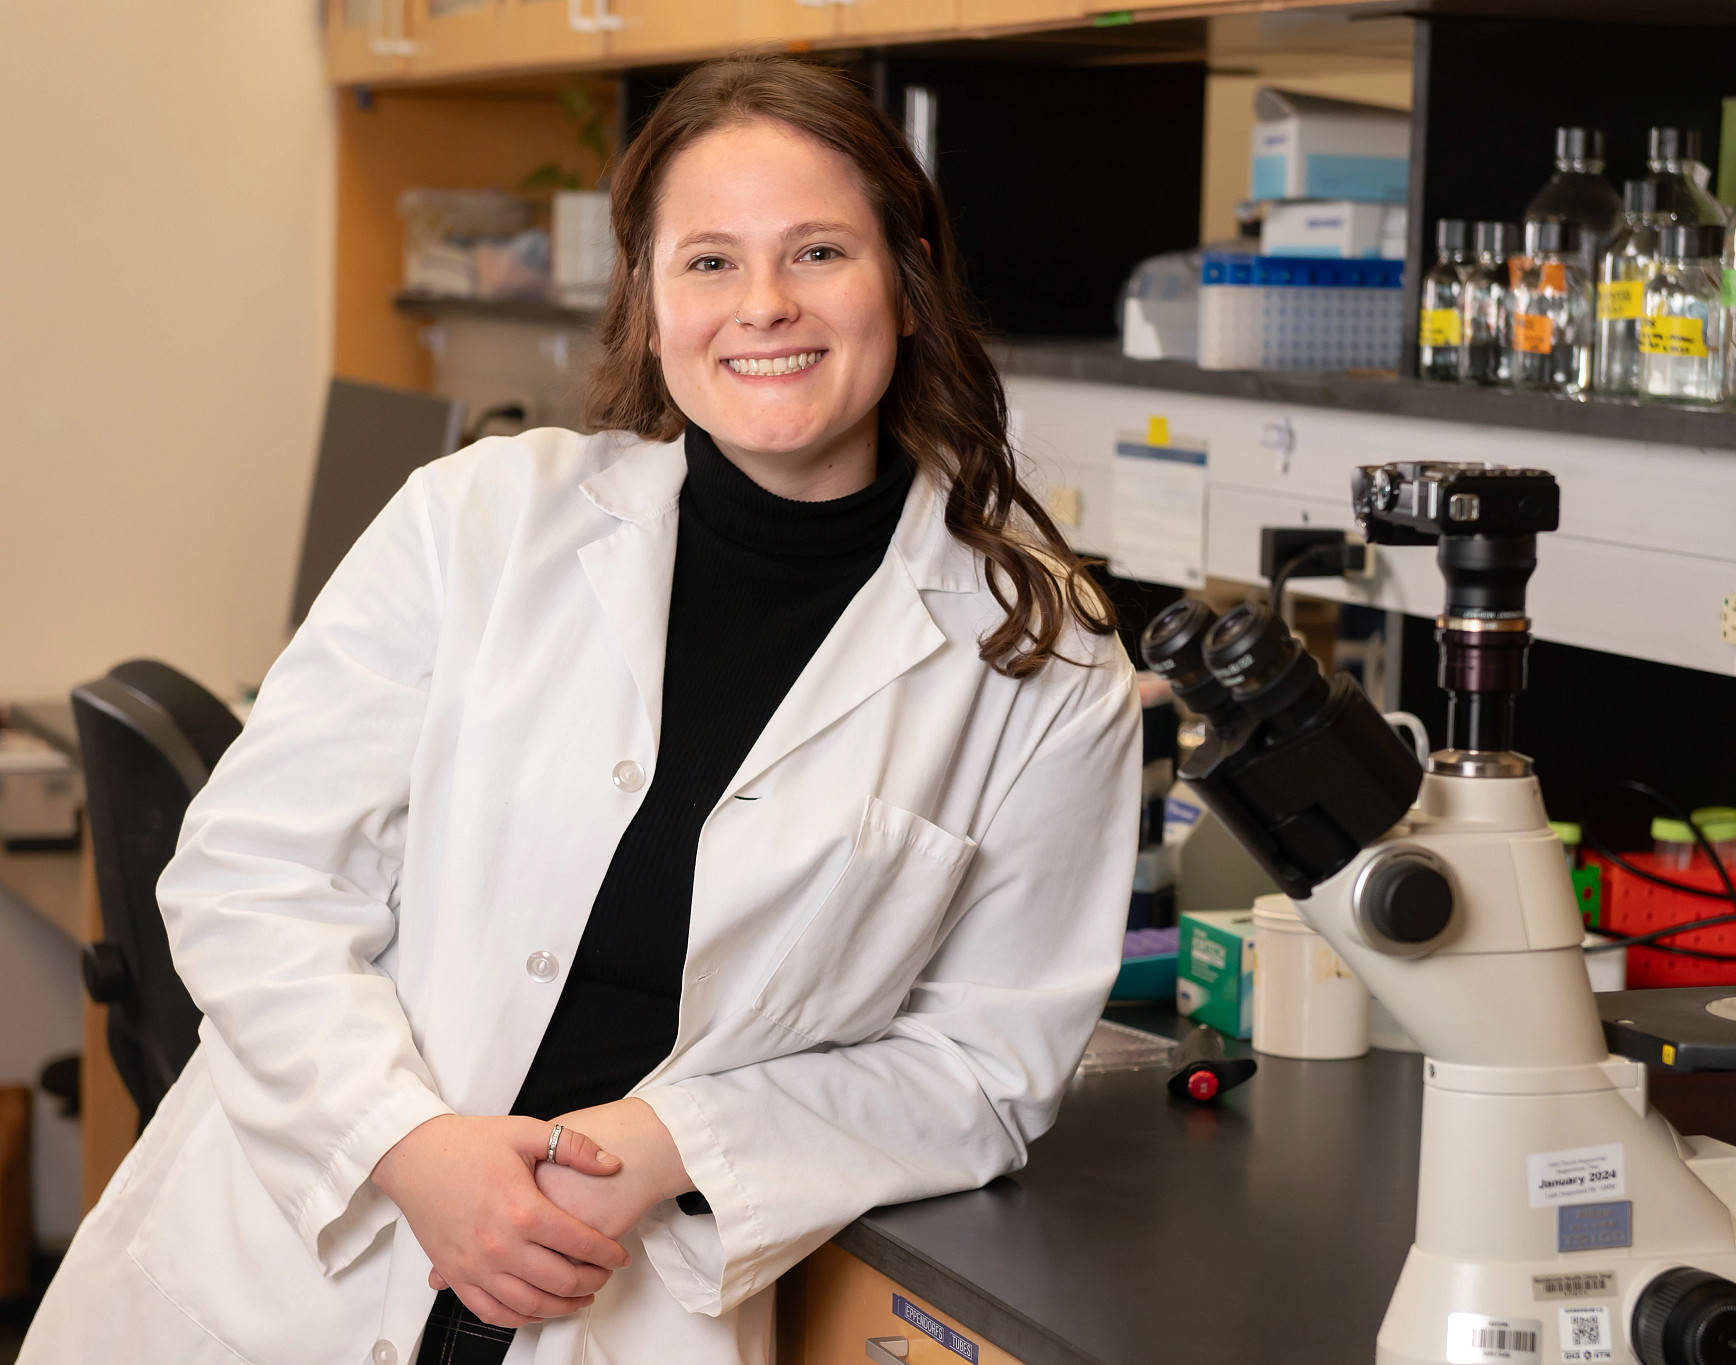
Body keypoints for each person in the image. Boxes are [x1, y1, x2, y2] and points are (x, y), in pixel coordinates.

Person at [24, 54, 1139, 1365]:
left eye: (819, 251)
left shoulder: (1043, 664)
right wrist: (414, 1145)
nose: (763, 304)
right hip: (297, 1255)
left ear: (906, 274)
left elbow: (984, 1069)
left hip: (622, 1285)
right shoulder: (481, 522)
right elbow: (247, 874)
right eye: (709, 260)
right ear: (649, 300)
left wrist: (661, 1147)